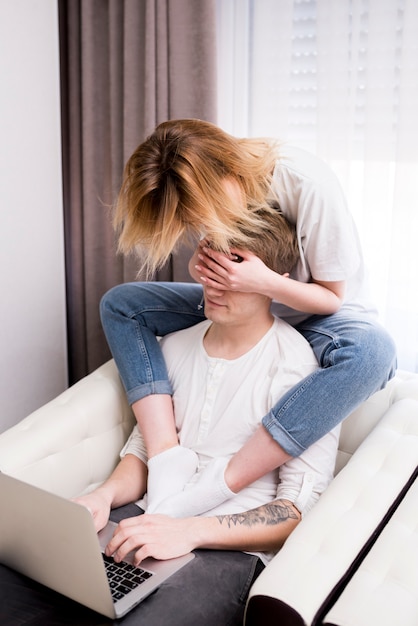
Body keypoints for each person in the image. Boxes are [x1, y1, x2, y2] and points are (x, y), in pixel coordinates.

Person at [100, 118, 397, 516]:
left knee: (375, 352)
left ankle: (222, 481)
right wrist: (205, 271)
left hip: (319, 313)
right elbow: (217, 253)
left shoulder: (305, 183)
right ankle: (165, 453)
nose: (202, 224)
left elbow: (330, 298)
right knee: (122, 304)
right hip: (247, 300)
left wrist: (262, 281)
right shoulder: (208, 188)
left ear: (227, 170)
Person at [72, 214, 339, 624]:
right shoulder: (174, 346)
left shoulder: (300, 372)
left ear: (274, 280)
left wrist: (189, 531)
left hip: (228, 550)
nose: (213, 283)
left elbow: (295, 509)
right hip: (150, 515)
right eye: (211, 263)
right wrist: (103, 497)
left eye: (233, 268)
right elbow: (144, 451)